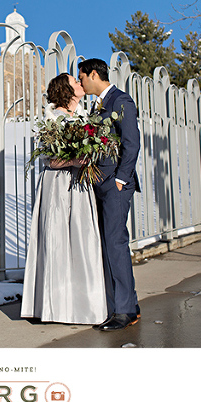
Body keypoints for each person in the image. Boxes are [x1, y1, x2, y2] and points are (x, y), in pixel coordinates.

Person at [20, 73, 108, 325]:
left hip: (81, 184)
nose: (80, 84)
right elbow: (49, 159)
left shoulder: (84, 116)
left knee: (83, 239)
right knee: (56, 240)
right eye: (75, 82)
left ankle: (84, 305)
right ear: (65, 90)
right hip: (57, 185)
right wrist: (73, 160)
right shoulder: (51, 119)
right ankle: (54, 306)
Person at [77, 58, 142, 331]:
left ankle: (125, 311)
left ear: (94, 74)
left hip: (115, 185)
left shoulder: (120, 101)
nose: (80, 82)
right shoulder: (98, 105)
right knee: (108, 245)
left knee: (115, 244)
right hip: (100, 183)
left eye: (82, 77)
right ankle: (125, 305)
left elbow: (132, 143)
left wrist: (120, 179)